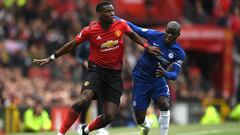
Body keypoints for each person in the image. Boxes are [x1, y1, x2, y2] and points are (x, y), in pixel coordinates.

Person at [33, 1, 160, 135]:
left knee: (109, 116)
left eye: (113, 11)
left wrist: (146, 46)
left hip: (114, 75)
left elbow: (133, 35)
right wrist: (52, 57)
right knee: (83, 100)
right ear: (99, 14)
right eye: (108, 11)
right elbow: (71, 45)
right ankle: (61, 133)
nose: (112, 14)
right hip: (96, 71)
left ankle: (85, 130)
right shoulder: (90, 30)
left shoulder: (121, 25)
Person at [115, 16, 185, 135]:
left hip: (158, 80)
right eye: (167, 32)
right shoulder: (154, 35)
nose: (168, 35)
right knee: (140, 118)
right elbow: (135, 28)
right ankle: (145, 126)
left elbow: (174, 75)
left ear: (178, 35)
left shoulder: (179, 53)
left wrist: (165, 74)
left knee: (165, 104)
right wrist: (114, 17)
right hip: (141, 78)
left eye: (172, 34)